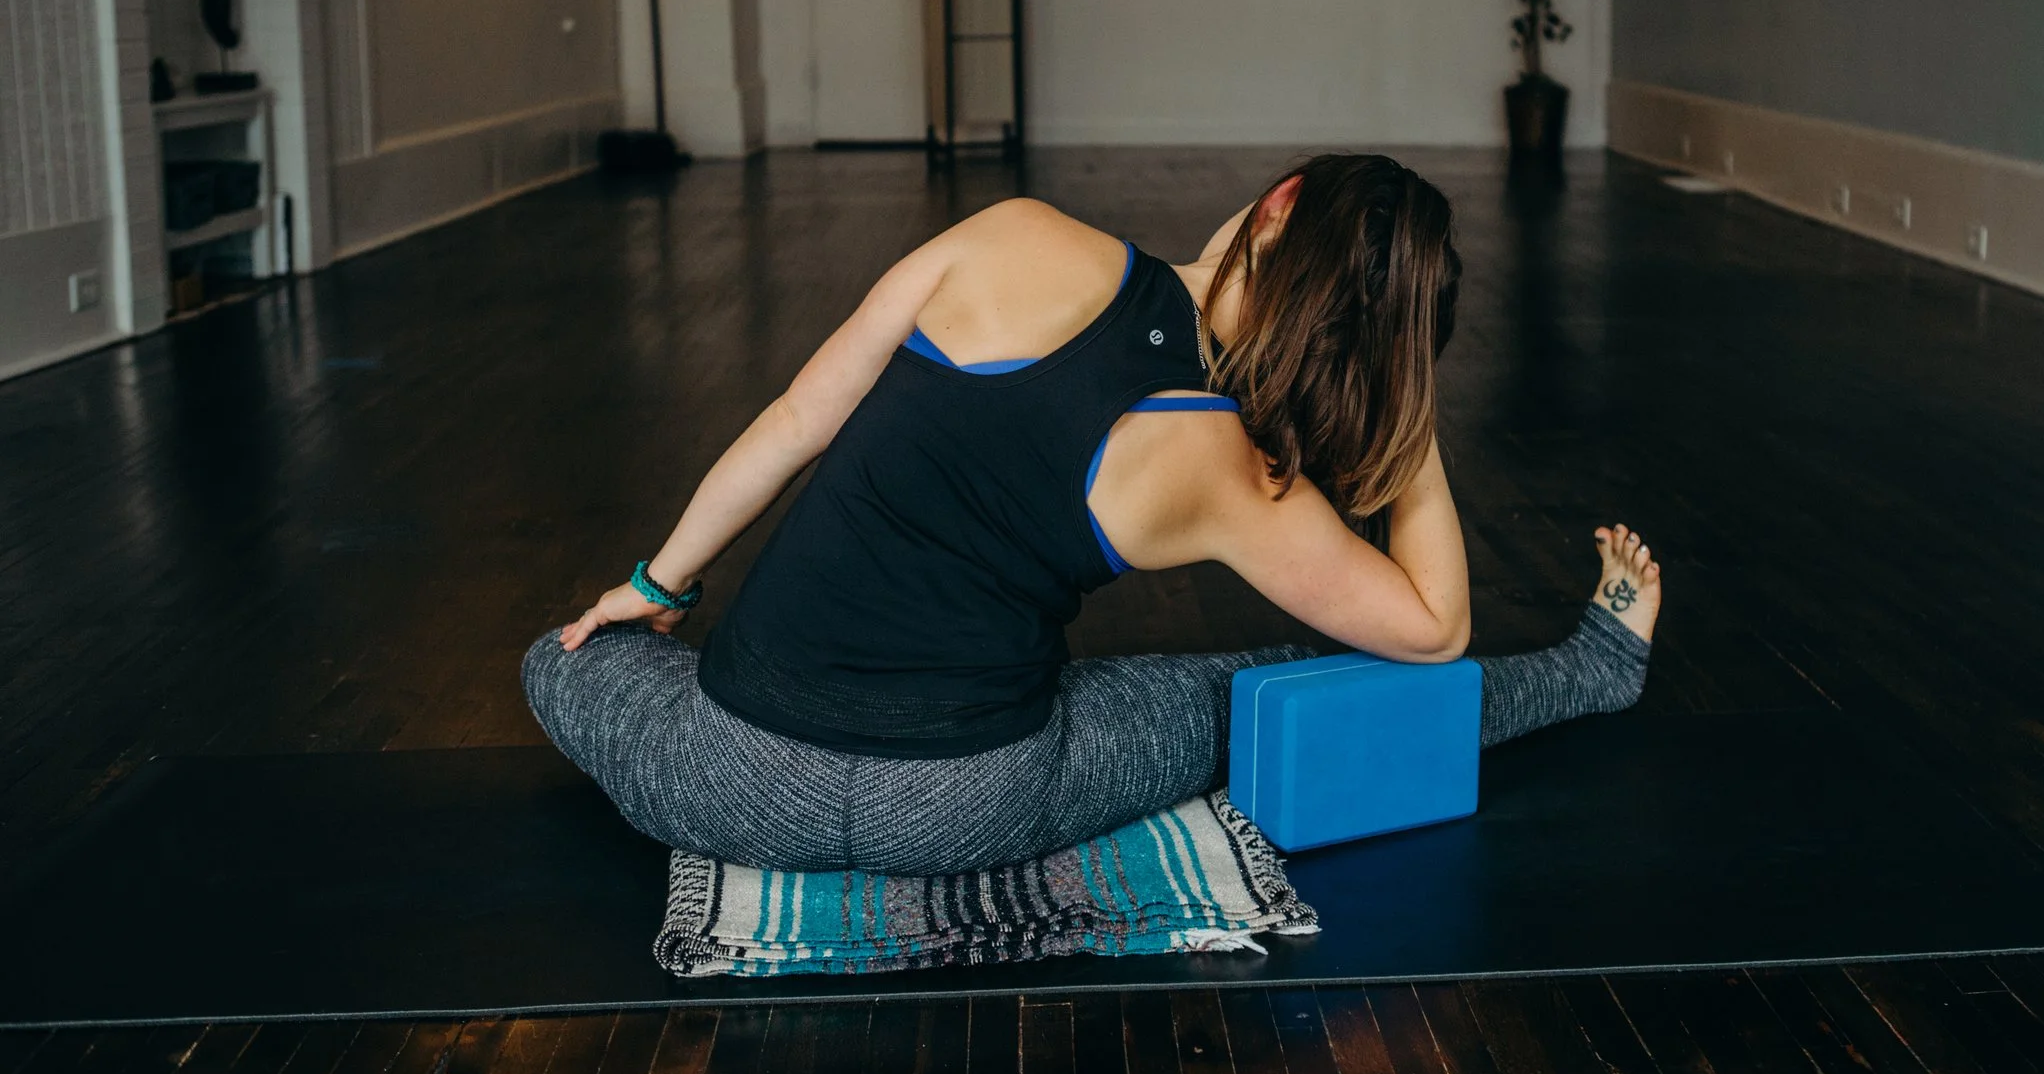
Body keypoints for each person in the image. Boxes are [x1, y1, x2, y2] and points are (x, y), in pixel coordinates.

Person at [523, 153, 1660, 874]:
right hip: (966, 807)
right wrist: (1406, 411)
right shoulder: (1235, 471)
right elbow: (1433, 630)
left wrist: (657, 584)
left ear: (1277, 204)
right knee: (1265, 686)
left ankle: (640, 637)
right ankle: (1596, 666)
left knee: (559, 660)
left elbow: (793, 420)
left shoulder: (1017, 235)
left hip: (733, 772)